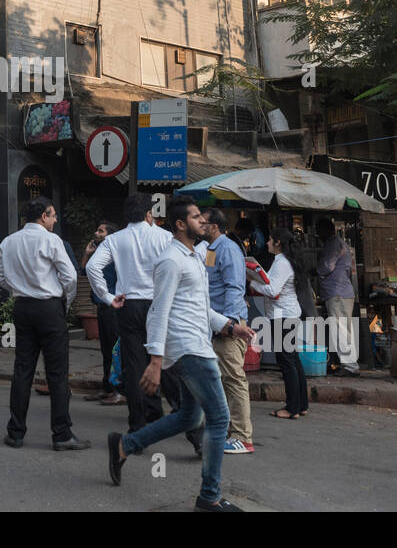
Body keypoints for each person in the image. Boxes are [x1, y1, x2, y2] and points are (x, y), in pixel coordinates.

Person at [106, 197, 253, 511]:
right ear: (180, 224)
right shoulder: (171, 260)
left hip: (197, 343)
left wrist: (230, 326)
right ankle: (209, 497)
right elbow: (159, 311)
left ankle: (124, 444)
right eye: (197, 216)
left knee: (189, 416)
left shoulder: (194, 257)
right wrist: (155, 360)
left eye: (202, 216)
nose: (203, 220)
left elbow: (199, 309)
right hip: (188, 349)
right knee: (219, 417)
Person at [86, 194, 191, 447]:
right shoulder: (166, 237)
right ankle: (187, 422)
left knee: (134, 366)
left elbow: (92, 268)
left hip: (128, 304)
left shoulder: (114, 239)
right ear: (149, 215)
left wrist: (107, 296)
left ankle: (137, 425)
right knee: (168, 362)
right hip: (159, 303)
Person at [0, 197, 89, 451]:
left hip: (22, 307)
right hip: (49, 307)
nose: (56, 220)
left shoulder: (8, 241)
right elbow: (70, 277)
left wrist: (19, 288)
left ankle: (15, 432)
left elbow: (0, 277)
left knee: (22, 369)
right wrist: (63, 302)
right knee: (57, 373)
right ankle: (61, 434)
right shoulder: (50, 240)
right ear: (43, 216)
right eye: (53, 215)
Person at [204, 208, 254, 454]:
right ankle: (225, 430)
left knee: (234, 380)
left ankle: (242, 437)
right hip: (216, 324)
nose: (199, 226)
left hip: (228, 325)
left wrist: (231, 325)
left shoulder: (227, 249)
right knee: (222, 379)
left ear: (214, 226)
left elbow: (234, 287)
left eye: (203, 223)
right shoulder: (211, 249)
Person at [251, 228, 308, 418]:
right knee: (293, 360)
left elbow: (273, 290)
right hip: (288, 314)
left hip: (282, 316)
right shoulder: (285, 261)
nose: (266, 243)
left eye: (269, 239)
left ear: (278, 243)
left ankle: (292, 408)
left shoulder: (282, 262)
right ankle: (301, 404)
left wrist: (252, 282)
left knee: (286, 361)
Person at [83, 221, 123, 404]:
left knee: (116, 350)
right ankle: (107, 387)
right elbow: (85, 271)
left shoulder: (114, 253)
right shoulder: (99, 253)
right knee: (106, 350)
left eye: (101, 231)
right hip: (102, 308)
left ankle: (120, 390)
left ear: (110, 235)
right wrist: (87, 254)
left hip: (113, 307)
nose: (96, 233)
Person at [316, 217, 359, 377]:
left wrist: (315, 271)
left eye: (319, 231)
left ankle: (350, 366)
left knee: (341, 329)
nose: (318, 235)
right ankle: (348, 364)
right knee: (343, 329)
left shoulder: (333, 243)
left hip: (337, 292)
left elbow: (327, 266)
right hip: (342, 292)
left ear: (326, 230)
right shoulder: (339, 243)